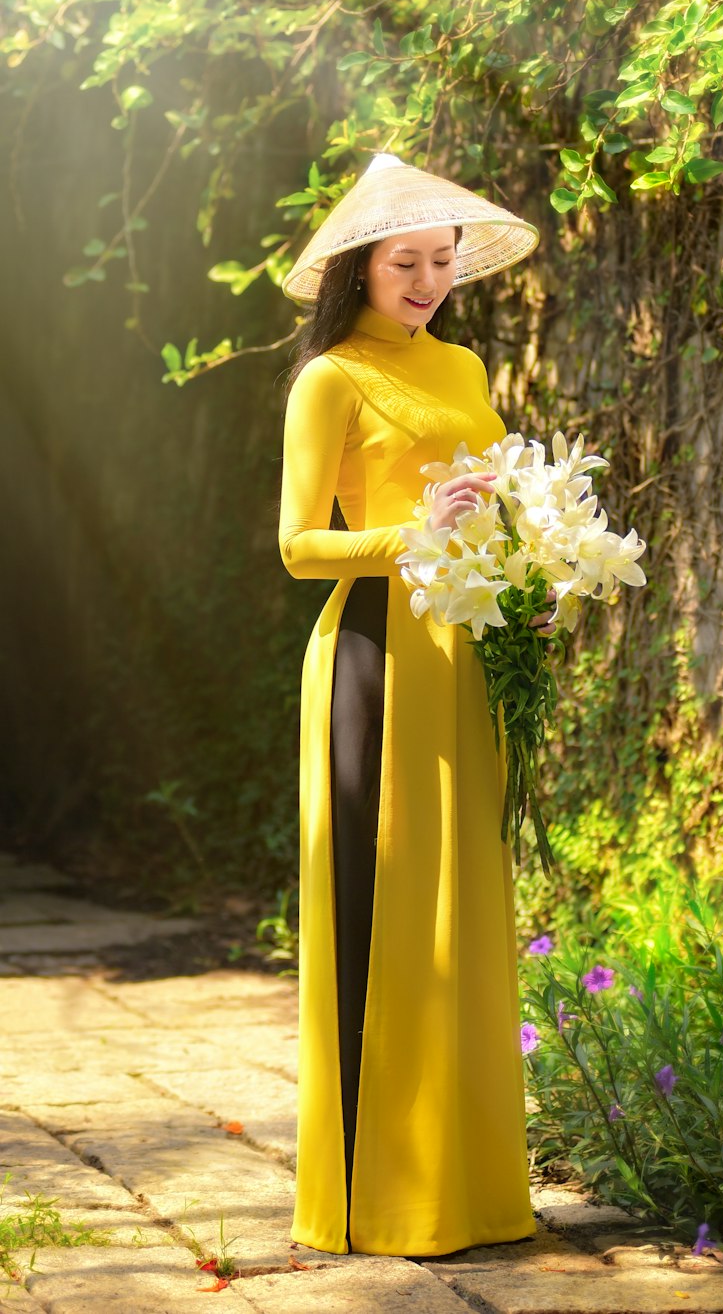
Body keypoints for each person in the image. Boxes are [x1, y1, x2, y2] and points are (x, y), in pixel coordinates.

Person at [277, 153, 550, 1258]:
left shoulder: (467, 367)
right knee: (385, 920)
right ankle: (377, 1199)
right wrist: (418, 533)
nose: (429, 278)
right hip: (376, 661)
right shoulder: (330, 378)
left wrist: (530, 574)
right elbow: (299, 546)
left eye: (442, 261)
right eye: (406, 262)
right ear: (361, 268)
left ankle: (472, 1191)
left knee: (463, 921)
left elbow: (495, 506)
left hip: (468, 654)